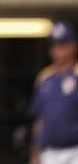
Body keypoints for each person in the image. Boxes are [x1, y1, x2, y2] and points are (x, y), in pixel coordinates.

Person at [30, 21, 78, 164]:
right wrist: (35, 150)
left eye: (62, 45)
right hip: (49, 151)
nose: (57, 50)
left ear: (74, 46)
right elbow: (39, 118)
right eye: (54, 45)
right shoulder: (44, 77)